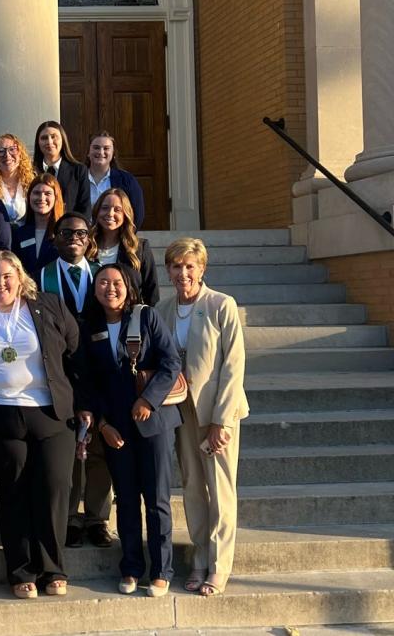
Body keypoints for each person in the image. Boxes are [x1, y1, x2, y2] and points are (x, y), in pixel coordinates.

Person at [0, 250, 79, 598]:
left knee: (54, 486)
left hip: (49, 413)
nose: (0, 283)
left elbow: (76, 353)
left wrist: (86, 406)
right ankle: (20, 571)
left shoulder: (49, 306)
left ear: (20, 278)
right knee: (11, 491)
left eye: (6, 276)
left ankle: (53, 568)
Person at [76, 264, 182, 597]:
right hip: (116, 429)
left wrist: (149, 400)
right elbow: (88, 383)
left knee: (157, 499)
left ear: (128, 286)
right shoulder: (88, 327)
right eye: (103, 282)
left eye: (117, 282)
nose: (110, 288)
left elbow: (171, 363)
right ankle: (132, 567)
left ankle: (162, 569)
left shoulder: (146, 316)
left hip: (154, 425)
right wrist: (103, 425)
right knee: (125, 500)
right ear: (94, 290)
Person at [155, 238, 248, 597]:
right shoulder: (162, 310)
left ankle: (219, 566)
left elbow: (233, 365)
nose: (183, 273)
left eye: (189, 266)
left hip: (215, 414)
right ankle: (199, 559)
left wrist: (222, 421)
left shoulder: (221, 305)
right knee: (193, 488)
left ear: (202, 268)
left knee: (221, 490)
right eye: (176, 267)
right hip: (179, 413)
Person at [39, 212, 113, 550]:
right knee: (67, 450)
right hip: (62, 373)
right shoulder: (42, 276)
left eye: (81, 233)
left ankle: (97, 518)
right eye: (66, 232)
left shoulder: (103, 275)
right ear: (55, 238)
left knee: (98, 449)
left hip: (100, 370)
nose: (74, 238)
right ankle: (68, 518)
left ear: (90, 239)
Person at [90, 189, 160, 306]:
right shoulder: (87, 246)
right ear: (97, 212)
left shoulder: (139, 248)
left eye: (117, 209)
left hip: (130, 317)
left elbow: (151, 292)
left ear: (125, 215)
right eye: (105, 208)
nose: (110, 213)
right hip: (92, 318)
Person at [87, 131, 146, 229]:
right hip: (83, 239)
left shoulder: (127, 180)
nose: (101, 152)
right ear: (88, 152)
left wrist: (125, 237)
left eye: (106, 148)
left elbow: (137, 214)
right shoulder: (76, 179)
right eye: (96, 147)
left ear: (113, 153)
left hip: (115, 239)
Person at [11, 174, 63, 278]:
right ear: (29, 197)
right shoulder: (19, 233)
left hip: (54, 291)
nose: (41, 198)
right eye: (36, 193)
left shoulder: (63, 232)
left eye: (47, 193)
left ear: (56, 197)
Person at [35, 121, 90, 217]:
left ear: (63, 140)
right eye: (44, 138)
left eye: (54, 136)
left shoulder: (78, 170)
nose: (49, 142)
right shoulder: (31, 170)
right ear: (38, 142)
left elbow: (85, 207)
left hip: (69, 228)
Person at [0, 133, 37, 226]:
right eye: (1, 151)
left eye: (12, 149)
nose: (7, 155)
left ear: (20, 154)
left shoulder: (32, 183)